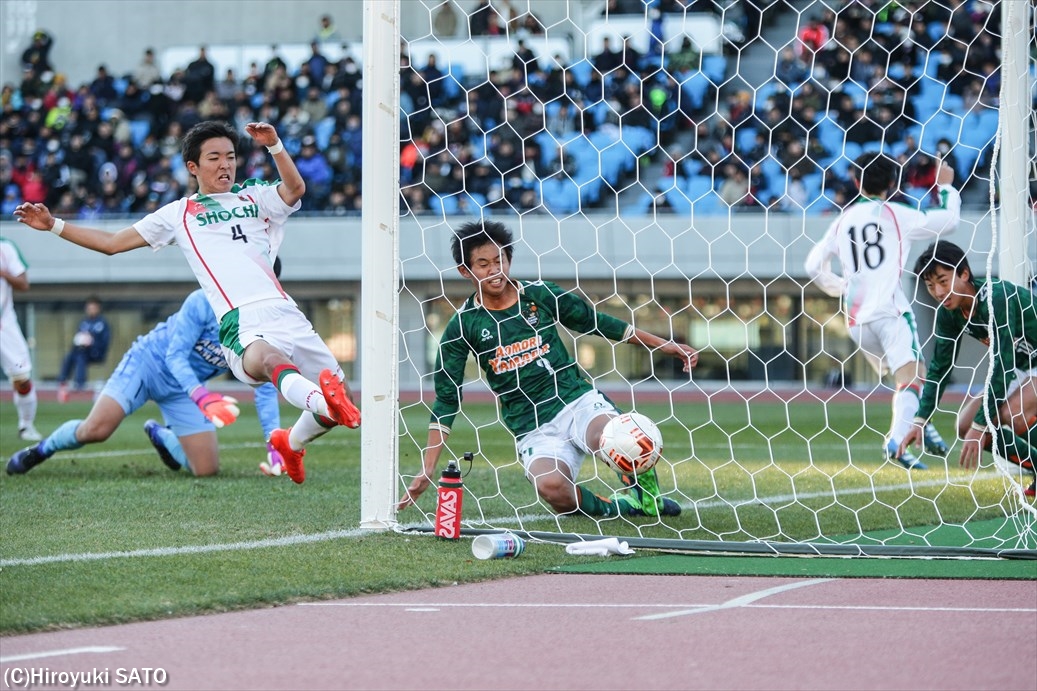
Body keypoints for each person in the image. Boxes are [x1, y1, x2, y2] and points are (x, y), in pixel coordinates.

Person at [13, 120, 360, 485]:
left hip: (284, 313)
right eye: (214, 158)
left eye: (230, 156)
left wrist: (275, 145)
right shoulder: (178, 214)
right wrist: (55, 225)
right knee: (97, 429)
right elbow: (112, 243)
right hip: (218, 330)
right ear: (193, 167)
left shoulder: (255, 197)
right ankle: (324, 401)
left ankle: (291, 442)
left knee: (338, 404)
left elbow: (295, 188)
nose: (225, 164)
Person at [397, 220, 699, 518]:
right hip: (531, 426)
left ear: (509, 259)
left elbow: (597, 322)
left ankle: (649, 499)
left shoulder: (539, 295)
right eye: (483, 264)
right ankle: (618, 508)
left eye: (499, 260)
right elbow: (447, 397)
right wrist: (427, 467)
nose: (494, 270)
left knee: (624, 435)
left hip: (576, 401)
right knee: (554, 490)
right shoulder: (463, 326)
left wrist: (664, 345)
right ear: (465, 271)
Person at [7, 287, 284, 478]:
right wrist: (201, 397)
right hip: (148, 364)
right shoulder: (204, 301)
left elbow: (264, 384)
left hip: (183, 387)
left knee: (206, 469)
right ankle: (41, 450)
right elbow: (175, 356)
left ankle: (161, 435)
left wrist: (275, 447)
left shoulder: (266, 326)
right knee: (96, 430)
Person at [804, 152, 961, 470]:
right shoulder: (894, 213)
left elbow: (811, 266)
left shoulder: (843, 219)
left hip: (857, 321)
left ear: (855, 180)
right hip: (890, 312)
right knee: (914, 378)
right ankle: (896, 441)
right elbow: (949, 222)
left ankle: (921, 423)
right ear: (892, 183)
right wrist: (945, 187)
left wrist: (841, 287)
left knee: (909, 379)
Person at [901, 242, 1035, 497]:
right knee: (964, 425)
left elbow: (1003, 364)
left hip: (1022, 364)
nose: (939, 292)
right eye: (931, 286)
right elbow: (939, 369)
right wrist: (920, 420)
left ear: (964, 273)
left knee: (1011, 413)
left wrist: (982, 425)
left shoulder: (996, 297)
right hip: (1022, 366)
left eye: (943, 280)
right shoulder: (949, 314)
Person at [0, 236, 41, 441]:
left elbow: (23, 283)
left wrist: (2, 272)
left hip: (4, 324)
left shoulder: (5, 246)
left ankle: (26, 426)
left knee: (22, 379)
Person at [57, 296, 111, 401]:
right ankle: (62, 382)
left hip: (97, 352)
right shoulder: (84, 322)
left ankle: (80, 384)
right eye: (89, 308)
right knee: (71, 355)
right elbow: (78, 336)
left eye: (93, 307)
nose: (90, 310)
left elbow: (105, 341)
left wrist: (92, 342)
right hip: (82, 350)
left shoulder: (103, 323)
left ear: (98, 308)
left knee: (80, 356)